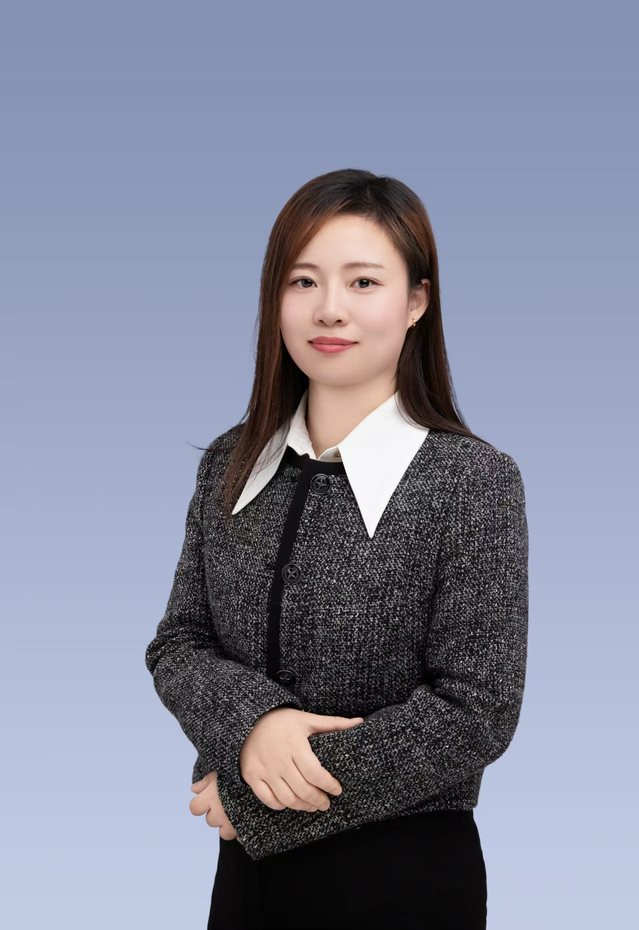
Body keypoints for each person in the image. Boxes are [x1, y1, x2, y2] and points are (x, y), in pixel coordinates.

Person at [144, 168, 529, 930]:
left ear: (416, 301)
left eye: (362, 282)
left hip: (403, 880)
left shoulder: (470, 482)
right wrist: (256, 723)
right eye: (303, 281)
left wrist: (260, 799)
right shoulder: (228, 464)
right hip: (245, 884)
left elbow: (475, 712)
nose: (329, 308)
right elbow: (178, 643)